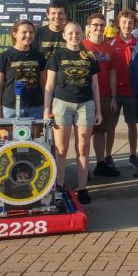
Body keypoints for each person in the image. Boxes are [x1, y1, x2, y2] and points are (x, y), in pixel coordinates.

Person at [44, 22, 102, 205]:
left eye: (77, 33)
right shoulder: (56, 56)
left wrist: (99, 110)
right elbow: (49, 85)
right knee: (61, 149)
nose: (74, 36)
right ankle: (59, 185)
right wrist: (47, 109)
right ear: (64, 35)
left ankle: (82, 187)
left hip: (85, 105)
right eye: (70, 33)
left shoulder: (89, 56)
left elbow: (95, 85)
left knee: (83, 148)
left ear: (82, 34)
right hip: (62, 104)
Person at [83, 13, 120, 178]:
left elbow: (112, 74)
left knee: (100, 132)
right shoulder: (82, 46)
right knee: (84, 134)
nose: (99, 28)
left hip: (104, 96)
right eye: (95, 25)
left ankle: (100, 164)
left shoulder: (109, 49)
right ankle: (83, 168)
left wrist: (113, 97)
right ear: (88, 27)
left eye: (101, 25)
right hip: (85, 97)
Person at [0, 20, 46, 120]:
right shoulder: (4, 57)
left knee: (36, 136)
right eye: (24, 32)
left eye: (31, 32)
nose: (28, 35)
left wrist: (46, 108)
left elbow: (44, 84)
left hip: (36, 107)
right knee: (11, 136)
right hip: (11, 108)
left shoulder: (40, 57)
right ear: (15, 34)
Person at [110, 10, 138, 172]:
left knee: (132, 125)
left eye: (130, 23)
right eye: (124, 22)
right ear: (118, 23)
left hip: (131, 92)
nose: (127, 25)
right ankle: (108, 156)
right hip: (115, 92)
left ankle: (132, 154)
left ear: (134, 25)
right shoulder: (110, 43)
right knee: (111, 126)